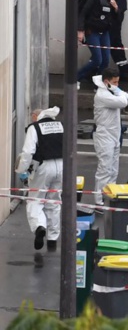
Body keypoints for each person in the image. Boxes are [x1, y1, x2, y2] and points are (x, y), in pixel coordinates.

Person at [15, 107, 63, 251]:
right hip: (62, 165)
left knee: (35, 199)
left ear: (36, 116)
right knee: (54, 201)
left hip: (43, 167)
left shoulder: (34, 128)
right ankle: (53, 238)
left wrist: (22, 170)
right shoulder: (60, 125)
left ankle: (39, 227)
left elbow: (28, 152)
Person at [93, 68, 128, 206]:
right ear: (106, 82)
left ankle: (110, 195)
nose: (117, 85)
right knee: (104, 169)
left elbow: (126, 96)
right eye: (115, 82)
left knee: (113, 169)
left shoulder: (111, 90)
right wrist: (126, 98)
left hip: (114, 135)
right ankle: (99, 200)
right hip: (104, 136)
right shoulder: (102, 95)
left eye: (118, 82)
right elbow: (123, 101)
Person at [95, 0, 128, 81]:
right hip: (115, 14)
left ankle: (123, 72)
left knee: (113, 43)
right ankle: (122, 70)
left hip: (113, 16)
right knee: (112, 43)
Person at [77, 0, 115, 90]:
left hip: (104, 32)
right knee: (97, 59)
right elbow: (83, 14)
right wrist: (80, 30)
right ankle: (76, 77)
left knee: (105, 59)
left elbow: (115, 19)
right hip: (92, 32)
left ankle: (99, 84)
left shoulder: (110, 1)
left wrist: (116, 9)